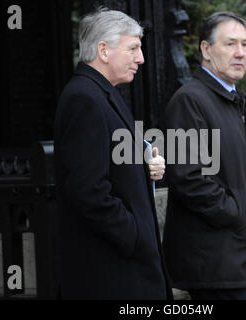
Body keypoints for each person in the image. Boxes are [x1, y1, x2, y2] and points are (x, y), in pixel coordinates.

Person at [162, 11, 246, 300]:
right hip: (215, 267)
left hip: (239, 262)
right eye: (230, 44)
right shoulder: (189, 100)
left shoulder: (234, 101)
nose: (240, 53)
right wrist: (238, 217)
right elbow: (189, 179)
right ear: (206, 50)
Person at [54, 8, 171, 299]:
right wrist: (134, 235)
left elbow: (110, 166)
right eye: (133, 48)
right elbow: (88, 189)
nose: (141, 58)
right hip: (113, 273)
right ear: (103, 51)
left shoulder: (99, 93)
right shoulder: (84, 98)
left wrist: (145, 167)